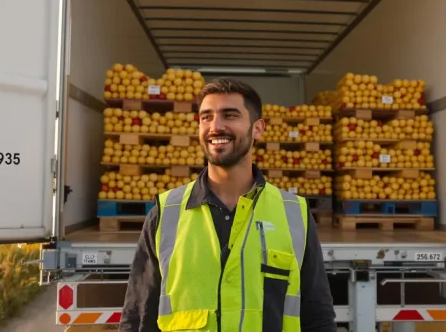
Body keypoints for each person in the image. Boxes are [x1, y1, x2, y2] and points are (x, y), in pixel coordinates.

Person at [119, 77, 336, 332]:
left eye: (230, 115)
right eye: (206, 117)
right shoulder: (165, 213)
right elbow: (138, 317)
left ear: (258, 129)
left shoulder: (294, 214)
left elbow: (317, 317)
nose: (215, 126)